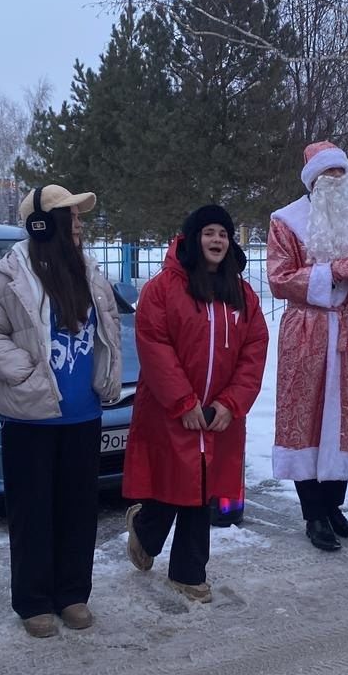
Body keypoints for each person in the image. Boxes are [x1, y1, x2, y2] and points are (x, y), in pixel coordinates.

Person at [0, 185, 122, 638]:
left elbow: (106, 328)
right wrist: (26, 373)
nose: (78, 224)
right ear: (42, 223)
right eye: (69, 216)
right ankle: (33, 601)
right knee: (33, 513)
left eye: (78, 217)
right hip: (30, 418)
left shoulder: (89, 271)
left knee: (78, 510)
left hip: (83, 414)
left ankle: (72, 594)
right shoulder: (6, 274)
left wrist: (106, 373)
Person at [122, 205, 269, 603]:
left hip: (220, 413)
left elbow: (255, 346)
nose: (217, 240)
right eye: (209, 233)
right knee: (174, 486)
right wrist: (183, 401)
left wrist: (231, 403)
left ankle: (188, 573)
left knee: (201, 489)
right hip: (171, 408)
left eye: (223, 233)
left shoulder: (241, 292)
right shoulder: (163, 288)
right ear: (192, 238)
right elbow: (153, 344)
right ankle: (146, 528)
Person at [267, 140, 348, 552]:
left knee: (343, 417)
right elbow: (280, 279)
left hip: (347, 328)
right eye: (327, 174)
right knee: (307, 415)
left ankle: (334, 508)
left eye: (340, 173)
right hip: (306, 329)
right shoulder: (286, 221)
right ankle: (313, 514)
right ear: (313, 180)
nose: (336, 180)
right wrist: (335, 271)